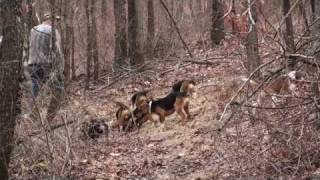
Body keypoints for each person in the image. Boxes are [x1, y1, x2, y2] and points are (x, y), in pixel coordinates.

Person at [28, 12, 64, 124]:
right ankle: (49, 119)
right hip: (48, 66)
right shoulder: (53, 31)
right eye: (56, 20)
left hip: (33, 64)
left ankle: (32, 121)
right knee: (59, 90)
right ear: (50, 19)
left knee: (36, 93)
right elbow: (57, 51)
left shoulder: (33, 30)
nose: (57, 23)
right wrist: (60, 68)